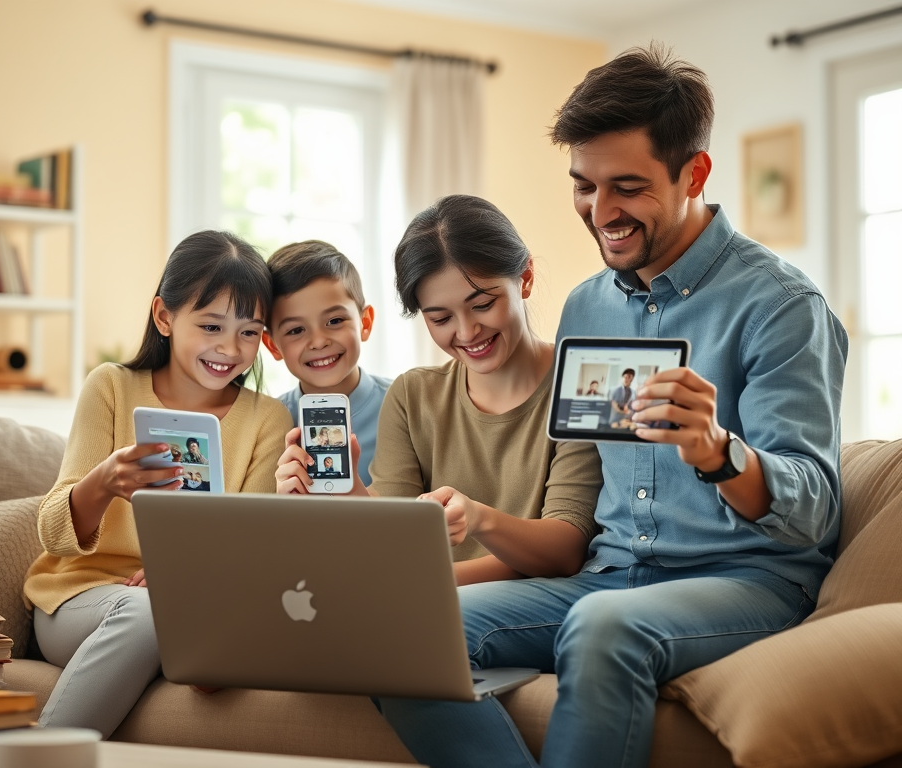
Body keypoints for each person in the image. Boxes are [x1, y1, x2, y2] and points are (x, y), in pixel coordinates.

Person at [376, 44, 848, 768]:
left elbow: (814, 507)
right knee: (395, 629)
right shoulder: (587, 305)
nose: (601, 213)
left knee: (603, 626)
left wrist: (720, 453)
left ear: (694, 172)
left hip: (746, 582)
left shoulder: (781, 307)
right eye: (583, 187)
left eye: (626, 187)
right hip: (607, 575)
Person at [23, 230, 292, 738]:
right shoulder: (111, 387)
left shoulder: (266, 419)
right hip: (82, 599)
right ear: (164, 317)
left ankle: (196, 652)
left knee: (199, 620)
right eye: (211, 325)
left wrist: (185, 574)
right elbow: (54, 534)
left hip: (195, 598)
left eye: (250, 332)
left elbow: (250, 538)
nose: (230, 349)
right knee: (149, 613)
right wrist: (103, 482)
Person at [276, 195, 603, 586]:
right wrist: (347, 490)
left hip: (511, 599)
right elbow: (395, 536)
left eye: (482, 304)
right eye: (441, 317)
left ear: (526, 278)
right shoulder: (413, 395)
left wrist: (475, 524)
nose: (466, 332)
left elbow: (565, 551)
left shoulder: (582, 387)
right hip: (426, 594)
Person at [262, 240, 392, 485]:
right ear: (272, 346)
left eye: (334, 321)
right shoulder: (267, 426)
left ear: (365, 323)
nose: (319, 342)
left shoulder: (404, 406)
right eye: (296, 330)